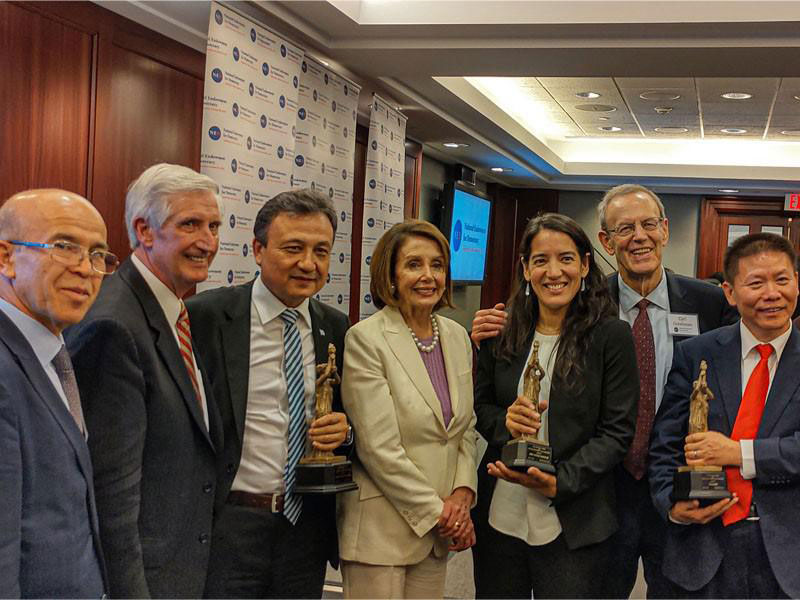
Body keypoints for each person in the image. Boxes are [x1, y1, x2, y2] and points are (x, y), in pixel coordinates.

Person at [471, 184, 738, 598]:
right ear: (605, 242)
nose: (639, 236)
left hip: (678, 477)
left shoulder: (710, 304)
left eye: (648, 224)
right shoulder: (588, 308)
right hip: (603, 487)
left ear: (665, 231)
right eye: (624, 228)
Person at [65, 164, 224, 598]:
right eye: (190, 224)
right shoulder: (114, 325)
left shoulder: (172, 311)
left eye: (213, 226)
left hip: (183, 567)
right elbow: (109, 493)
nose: (207, 242)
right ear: (145, 231)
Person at [187, 189, 351, 598]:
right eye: (293, 249)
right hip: (229, 525)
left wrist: (344, 434)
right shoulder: (206, 317)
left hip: (306, 525)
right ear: (258, 250)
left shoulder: (337, 327)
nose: (308, 264)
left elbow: (354, 420)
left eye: (321, 251)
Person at [471, 213, 638, 598]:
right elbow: (479, 407)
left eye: (565, 258)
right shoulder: (502, 329)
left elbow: (617, 433)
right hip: (501, 510)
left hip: (575, 514)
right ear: (526, 269)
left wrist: (559, 481)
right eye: (540, 260)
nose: (554, 271)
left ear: (583, 264)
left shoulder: (611, 335)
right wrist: (505, 422)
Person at [650, 232, 800, 598]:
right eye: (756, 283)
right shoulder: (697, 353)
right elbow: (664, 444)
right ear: (731, 293)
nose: (772, 293)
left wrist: (740, 453)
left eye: (782, 279)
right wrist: (672, 503)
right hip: (703, 548)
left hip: (789, 554)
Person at [338, 219, 477, 599]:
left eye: (438, 265)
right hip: (382, 533)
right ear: (391, 274)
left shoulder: (456, 336)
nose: (428, 276)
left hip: (437, 535)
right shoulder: (366, 339)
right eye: (414, 264)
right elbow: (378, 448)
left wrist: (463, 494)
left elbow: (465, 429)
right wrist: (442, 513)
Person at [0, 189, 115, 597]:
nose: (86, 269)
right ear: (6, 257)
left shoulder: (53, 353)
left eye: (99, 254)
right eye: (64, 247)